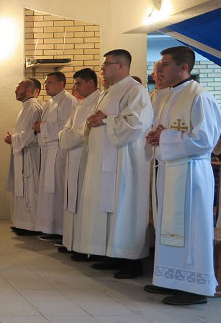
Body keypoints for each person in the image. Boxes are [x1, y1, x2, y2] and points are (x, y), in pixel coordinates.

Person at [144, 46, 221, 305]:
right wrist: (155, 136)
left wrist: (164, 136)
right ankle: (170, 279)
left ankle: (195, 287)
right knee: (169, 227)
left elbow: (206, 140)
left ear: (184, 67)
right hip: (170, 170)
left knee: (192, 230)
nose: (159, 69)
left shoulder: (200, 97)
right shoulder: (168, 96)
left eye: (165, 64)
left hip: (191, 174)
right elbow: (160, 131)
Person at [78, 49, 153, 279]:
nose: (102, 68)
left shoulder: (136, 90)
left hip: (125, 163)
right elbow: (100, 119)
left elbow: (137, 124)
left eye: (107, 64)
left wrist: (106, 120)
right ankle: (111, 254)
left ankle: (131, 261)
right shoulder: (107, 92)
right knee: (107, 208)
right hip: (103, 161)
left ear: (122, 66)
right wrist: (92, 122)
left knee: (125, 207)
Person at [58, 68, 101, 260]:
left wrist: (70, 135)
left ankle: (83, 246)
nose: (75, 88)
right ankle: (71, 241)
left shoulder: (98, 102)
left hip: (86, 157)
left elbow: (86, 130)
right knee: (72, 200)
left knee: (83, 202)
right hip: (73, 156)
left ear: (91, 83)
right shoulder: (81, 103)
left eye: (79, 83)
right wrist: (68, 135)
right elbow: (65, 129)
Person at [33, 72, 77, 242]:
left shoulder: (68, 101)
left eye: (50, 82)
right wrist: (41, 128)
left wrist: (42, 127)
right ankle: (49, 227)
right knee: (48, 191)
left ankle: (60, 229)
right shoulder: (50, 102)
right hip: (48, 151)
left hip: (59, 151)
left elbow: (66, 127)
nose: (46, 85)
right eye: (45, 83)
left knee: (58, 189)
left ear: (61, 84)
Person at [5, 79, 44, 236]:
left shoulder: (33, 107)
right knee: (22, 189)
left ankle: (32, 225)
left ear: (28, 90)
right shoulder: (26, 107)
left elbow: (29, 134)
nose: (15, 91)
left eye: (18, 88)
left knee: (30, 189)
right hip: (22, 153)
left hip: (30, 155)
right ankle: (21, 223)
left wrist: (13, 139)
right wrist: (14, 139)